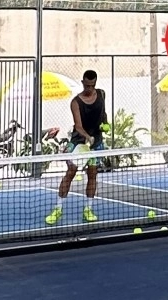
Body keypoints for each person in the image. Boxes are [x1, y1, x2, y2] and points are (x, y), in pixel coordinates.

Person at [47, 70, 108, 225]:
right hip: (78, 142)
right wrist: (88, 137)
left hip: (96, 144)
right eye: (87, 85)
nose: (89, 88)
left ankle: (88, 209)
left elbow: (103, 113)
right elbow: (78, 126)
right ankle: (58, 209)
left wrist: (105, 124)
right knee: (70, 173)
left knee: (92, 174)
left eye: (92, 85)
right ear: (82, 83)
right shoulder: (75, 102)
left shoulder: (101, 94)